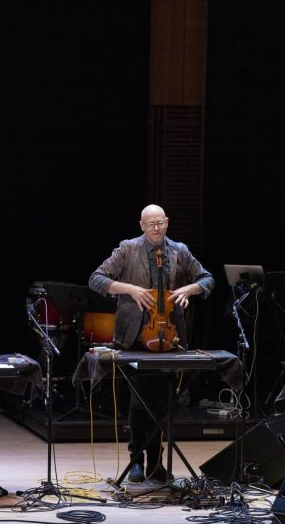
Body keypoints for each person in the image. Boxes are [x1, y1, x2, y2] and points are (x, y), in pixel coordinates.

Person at [88, 204, 214, 483]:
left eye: (160, 223)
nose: (156, 228)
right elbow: (96, 279)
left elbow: (208, 279)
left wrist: (190, 289)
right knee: (138, 400)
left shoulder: (179, 250)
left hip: (169, 336)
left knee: (161, 400)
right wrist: (130, 289)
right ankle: (137, 460)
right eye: (150, 224)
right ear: (142, 226)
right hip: (132, 336)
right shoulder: (127, 249)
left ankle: (156, 462)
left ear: (167, 223)